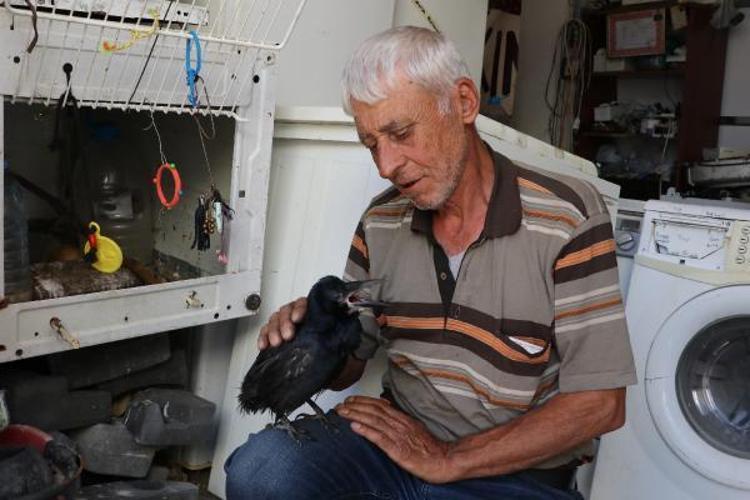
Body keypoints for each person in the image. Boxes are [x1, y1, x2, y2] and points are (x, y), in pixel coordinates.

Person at [224, 26, 636, 499]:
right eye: (371, 144)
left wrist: (448, 458)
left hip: (514, 472)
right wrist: (311, 335)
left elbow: (601, 404)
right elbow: (348, 368)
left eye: (401, 133)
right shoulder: (381, 221)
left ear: (463, 103)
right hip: (393, 446)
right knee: (262, 472)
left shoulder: (567, 217)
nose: (386, 165)